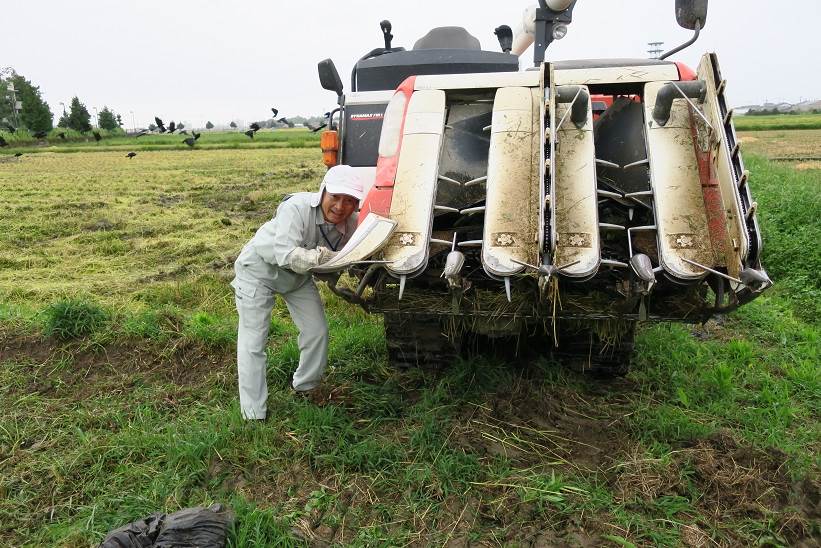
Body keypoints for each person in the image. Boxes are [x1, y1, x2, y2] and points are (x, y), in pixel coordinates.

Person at [230, 165, 365, 419]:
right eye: (335, 197)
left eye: (349, 201)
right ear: (323, 191)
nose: (340, 206)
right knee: (253, 341)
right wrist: (322, 258)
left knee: (317, 331)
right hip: (259, 270)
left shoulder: (353, 224)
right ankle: (253, 414)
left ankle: (306, 386)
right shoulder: (297, 208)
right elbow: (284, 253)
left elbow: (360, 254)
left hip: (297, 278)